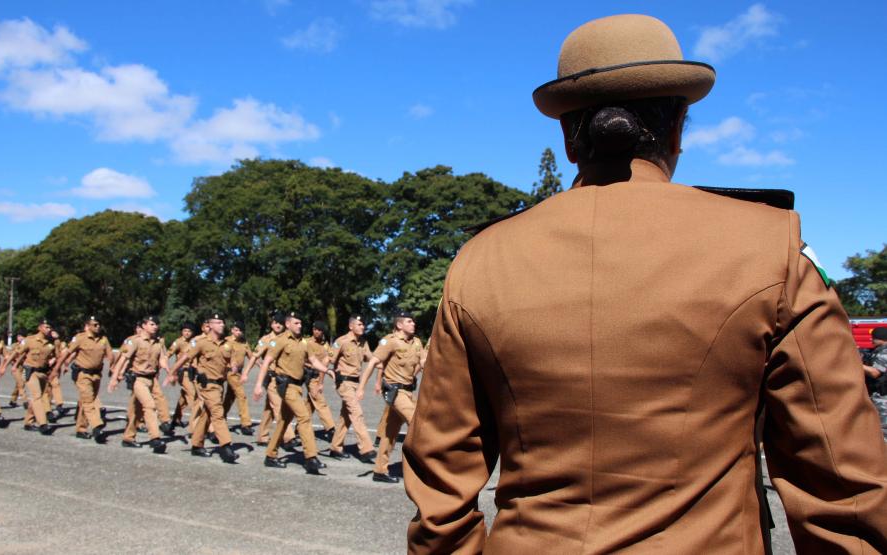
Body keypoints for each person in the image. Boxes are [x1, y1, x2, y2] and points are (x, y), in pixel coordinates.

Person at [403, 14, 887, 553]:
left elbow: (441, 485)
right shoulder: (770, 249)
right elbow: (841, 485)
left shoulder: (480, 260)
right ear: (678, 128)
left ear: (568, 137)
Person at [253, 312, 329, 474]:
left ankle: (270, 456)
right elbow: (266, 361)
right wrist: (259, 385)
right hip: (284, 385)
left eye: (301, 323)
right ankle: (311, 458)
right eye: (296, 323)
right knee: (304, 417)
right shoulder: (279, 341)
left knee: (283, 421)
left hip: (297, 386)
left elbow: (314, 360)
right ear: (287, 324)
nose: (300, 326)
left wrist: (327, 370)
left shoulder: (304, 343)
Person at [358, 311, 423, 483]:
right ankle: (424, 467)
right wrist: (362, 387)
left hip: (408, 392)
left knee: (389, 433)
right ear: (399, 325)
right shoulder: (390, 341)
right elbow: (373, 363)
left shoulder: (417, 342)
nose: (413, 324)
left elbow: (423, 362)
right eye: (409, 321)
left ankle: (379, 471)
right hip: (395, 392)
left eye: (413, 321)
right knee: (418, 423)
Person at [169, 312, 240, 463]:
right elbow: (185, 357)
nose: (222, 325)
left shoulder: (227, 344)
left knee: (206, 415)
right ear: (211, 325)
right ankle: (226, 447)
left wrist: (233, 367)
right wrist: (172, 372)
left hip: (220, 385)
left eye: (222, 322)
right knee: (218, 413)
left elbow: (233, 361)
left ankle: (196, 445)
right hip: (207, 385)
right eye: (219, 322)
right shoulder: (200, 342)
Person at [108, 316, 168, 454]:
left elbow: (163, 359)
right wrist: (114, 378)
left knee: (137, 411)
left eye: (156, 324)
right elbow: (123, 359)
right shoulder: (135, 341)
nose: (155, 327)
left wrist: (169, 371)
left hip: (152, 380)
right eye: (152, 324)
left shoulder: (158, 342)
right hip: (138, 379)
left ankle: (128, 438)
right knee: (150, 406)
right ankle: (155, 438)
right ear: (144, 326)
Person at [51, 315, 112, 443]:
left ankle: (81, 429)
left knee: (87, 401)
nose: (98, 327)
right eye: (95, 324)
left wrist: (113, 368)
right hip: (82, 374)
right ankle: (97, 426)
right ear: (88, 326)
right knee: (89, 401)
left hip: (96, 375)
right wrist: (56, 369)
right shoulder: (80, 338)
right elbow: (66, 354)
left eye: (99, 324)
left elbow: (111, 355)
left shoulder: (103, 340)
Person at [242, 312, 295, 447]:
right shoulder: (266, 339)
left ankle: (262, 436)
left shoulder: (287, 338)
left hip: (284, 378)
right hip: (271, 378)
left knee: (269, 408)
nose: (278, 325)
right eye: (275, 322)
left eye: (280, 323)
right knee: (279, 406)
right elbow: (254, 356)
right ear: (271, 324)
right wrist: (245, 373)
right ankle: (288, 437)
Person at [328, 314, 376, 462]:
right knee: (356, 412)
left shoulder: (363, 342)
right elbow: (328, 360)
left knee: (346, 416)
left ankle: (336, 447)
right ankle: (366, 449)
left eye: (363, 325)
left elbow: (372, 359)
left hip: (356, 383)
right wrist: (327, 376)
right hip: (344, 383)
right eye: (360, 324)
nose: (363, 327)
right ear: (351, 326)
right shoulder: (341, 341)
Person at [2, 320, 57, 434]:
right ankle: (43, 424)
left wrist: (53, 362)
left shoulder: (50, 342)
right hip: (30, 372)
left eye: (50, 327)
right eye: (46, 327)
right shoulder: (29, 340)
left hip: (43, 373)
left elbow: (57, 356)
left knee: (38, 397)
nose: (49, 329)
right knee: (37, 397)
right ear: (40, 328)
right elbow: (17, 353)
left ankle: (28, 422)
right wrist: (4, 366)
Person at [304, 320, 336, 438]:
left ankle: (300, 426)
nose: (316, 332)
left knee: (311, 402)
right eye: (315, 329)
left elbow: (328, 362)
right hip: (306, 373)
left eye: (319, 330)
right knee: (319, 400)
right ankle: (330, 428)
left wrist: (321, 382)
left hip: (317, 375)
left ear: (323, 332)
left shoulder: (326, 346)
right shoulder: (306, 342)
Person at [223, 321, 254, 435]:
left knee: (230, 397)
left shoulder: (244, 342)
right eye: (236, 330)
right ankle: (246, 424)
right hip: (231, 373)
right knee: (241, 395)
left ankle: (220, 417)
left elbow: (251, 356)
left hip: (239, 373)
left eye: (240, 330)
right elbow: (222, 357)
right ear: (232, 330)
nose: (238, 332)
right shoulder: (227, 341)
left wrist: (262, 365)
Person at [167, 323, 196, 428]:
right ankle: (196, 425)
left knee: (184, 396)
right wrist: (170, 371)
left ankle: (176, 418)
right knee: (193, 396)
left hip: (191, 372)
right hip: (182, 372)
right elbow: (168, 354)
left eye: (189, 331)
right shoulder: (178, 342)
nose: (187, 333)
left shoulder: (194, 342)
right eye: (185, 331)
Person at [7, 331, 29, 408]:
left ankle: (13, 400)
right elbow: (8, 355)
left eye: (22, 336)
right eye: (19, 336)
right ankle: (25, 400)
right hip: (15, 367)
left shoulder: (27, 346)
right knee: (21, 383)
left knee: (19, 383)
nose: (20, 338)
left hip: (24, 366)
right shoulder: (14, 346)